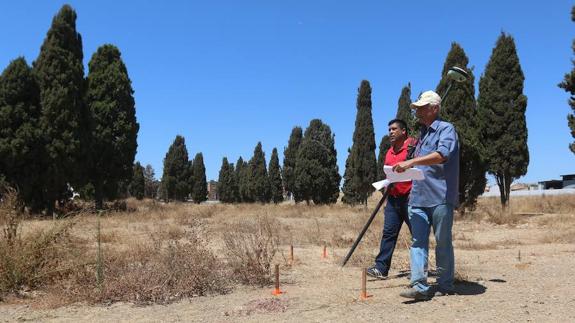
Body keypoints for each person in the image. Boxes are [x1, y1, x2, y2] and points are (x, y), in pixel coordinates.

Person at [392, 90, 460, 300]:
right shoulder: (421, 136)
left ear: (434, 108)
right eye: (417, 108)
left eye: (421, 108)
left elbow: (441, 155)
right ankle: (419, 286)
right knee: (418, 242)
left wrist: (411, 162)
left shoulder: (446, 129)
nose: (418, 112)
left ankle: (445, 284)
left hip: (440, 197)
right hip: (419, 198)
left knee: (443, 242)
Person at [367, 119, 414, 279]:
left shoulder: (413, 147)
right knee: (388, 233)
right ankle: (381, 268)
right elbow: (389, 175)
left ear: (403, 131)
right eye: (389, 130)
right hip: (393, 200)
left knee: (417, 234)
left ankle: (418, 271)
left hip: (410, 198)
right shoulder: (389, 152)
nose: (391, 132)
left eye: (394, 129)